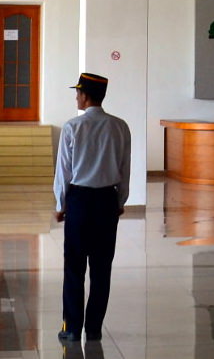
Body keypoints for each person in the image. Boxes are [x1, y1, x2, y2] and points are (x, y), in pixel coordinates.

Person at [53, 73, 131, 342]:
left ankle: (72, 327)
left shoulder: (72, 127)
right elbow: (125, 168)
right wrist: (120, 201)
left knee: (74, 266)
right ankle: (95, 328)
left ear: (85, 95)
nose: (76, 97)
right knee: (101, 268)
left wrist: (60, 204)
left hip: (80, 201)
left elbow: (64, 171)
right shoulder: (120, 127)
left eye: (78, 92)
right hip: (107, 202)